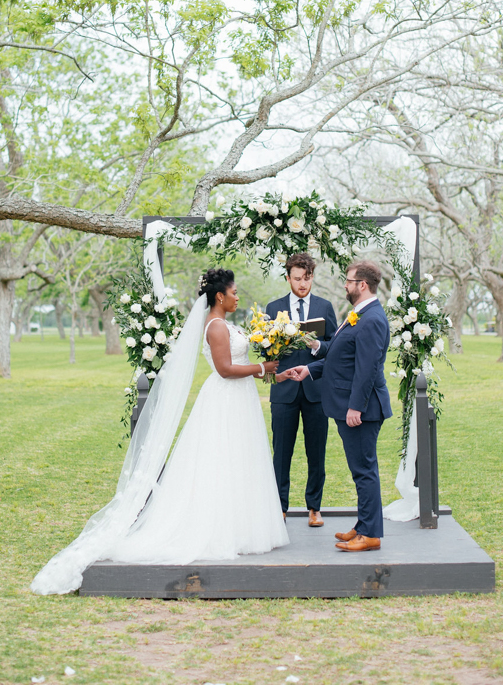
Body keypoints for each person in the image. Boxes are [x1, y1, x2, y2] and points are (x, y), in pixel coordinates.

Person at [31, 268, 288, 595]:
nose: (239, 296)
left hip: (240, 400)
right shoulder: (217, 326)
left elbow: (240, 368)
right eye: (234, 292)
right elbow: (225, 370)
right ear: (220, 296)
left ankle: (242, 527)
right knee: (222, 460)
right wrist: (262, 368)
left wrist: (272, 376)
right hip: (226, 400)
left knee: (239, 461)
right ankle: (221, 529)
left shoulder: (227, 323)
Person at [286, 261, 392, 553]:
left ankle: (370, 534)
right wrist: (310, 370)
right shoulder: (360, 314)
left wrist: (356, 407)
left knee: (364, 470)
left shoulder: (371, 319)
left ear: (363, 285)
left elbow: (367, 368)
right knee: (360, 470)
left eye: (348, 281)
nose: (345, 285)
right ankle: (363, 525)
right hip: (350, 405)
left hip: (362, 409)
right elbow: (340, 355)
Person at [266, 253, 337, 527]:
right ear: (288, 278)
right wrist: (274, 342)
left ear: (312, 277)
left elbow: (335, 346)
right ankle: (280, 507)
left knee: (316, 452)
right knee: (281, 452)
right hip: (283, 391)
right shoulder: (274, 308)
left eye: (307, 279)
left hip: (316, 391)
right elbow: (263, 348)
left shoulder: (325, 306)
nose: (302, 284)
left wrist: (317, 346)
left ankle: (314, 508)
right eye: (297, 279)